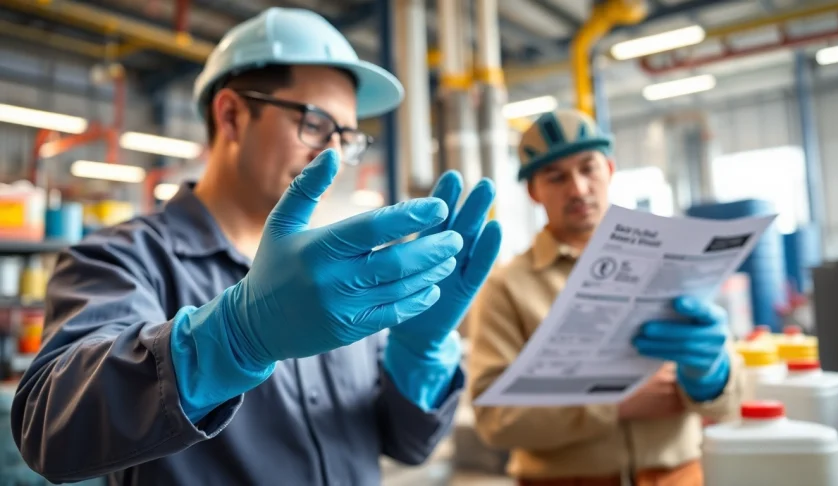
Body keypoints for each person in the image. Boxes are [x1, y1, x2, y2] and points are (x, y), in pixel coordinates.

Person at [12, 8, 502, 486]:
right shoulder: (123, 258)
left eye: (346, 137)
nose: (332, 154)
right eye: (315, 124)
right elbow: (50, 431)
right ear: (231, 115)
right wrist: (234, 335)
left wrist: (417, 355)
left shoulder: (341, 269)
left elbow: (407, 445)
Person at [466, 109, 744, 486]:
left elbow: (733, 402)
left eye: (588, 168)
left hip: (681, 476)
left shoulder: (674, 259)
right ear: (533, 191)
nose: (578, 189)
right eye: (556, 177)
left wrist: (711, 376)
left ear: (610, 170)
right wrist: (611, 406)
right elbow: (494, 421)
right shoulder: (506, 287)